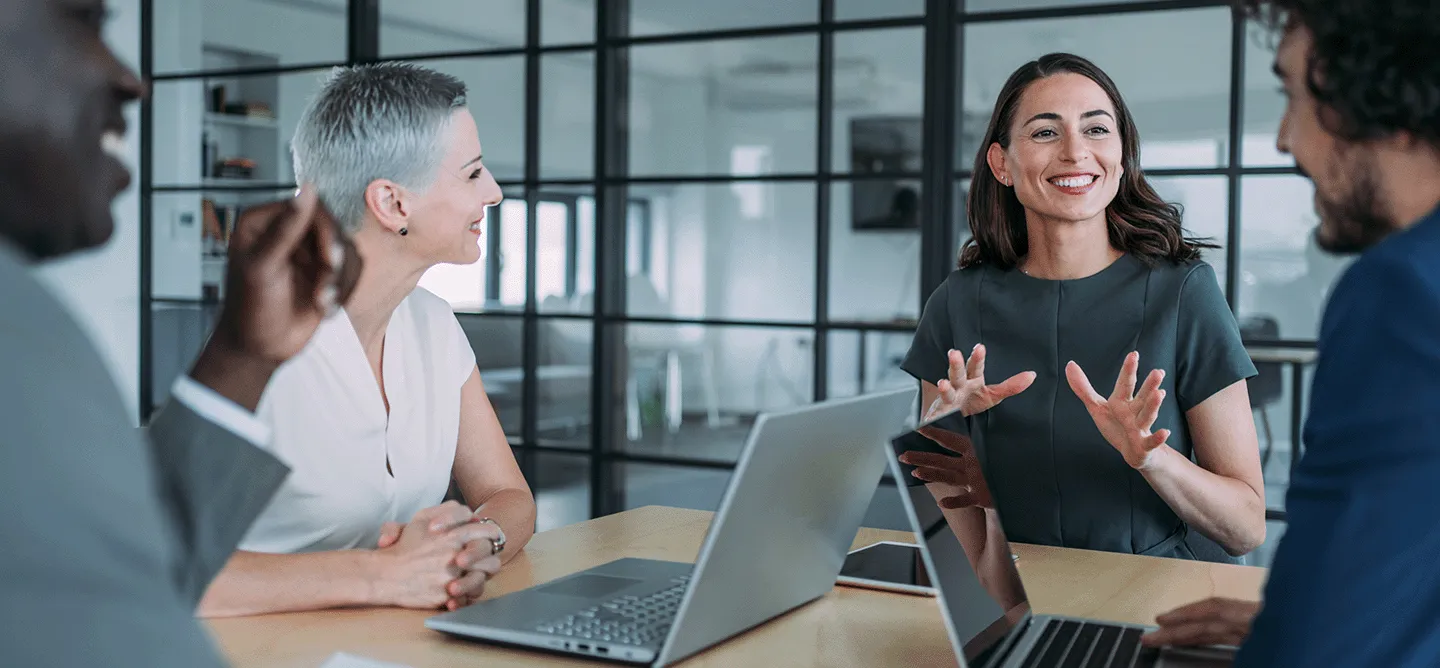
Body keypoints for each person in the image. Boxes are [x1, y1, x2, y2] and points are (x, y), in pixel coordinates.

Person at [0, 1, 493, 665]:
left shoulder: (32, 318)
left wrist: (241, 352)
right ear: (392, 203)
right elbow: (133, 577)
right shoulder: (28, 336)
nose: (132, 80)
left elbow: (149, 556)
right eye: (81, 22)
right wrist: (385, 575)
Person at [1143, 1, 1440, 664]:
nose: (1283, 139)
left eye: (1294, 96)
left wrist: (1301, 623)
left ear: (1379, 97)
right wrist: (1307, 609)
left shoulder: (1400, 293)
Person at [197, 63, 537, 618]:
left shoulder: (433, 324)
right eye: (473, 173)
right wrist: (386, 575)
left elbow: (510, 496)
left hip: (386, 642)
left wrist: (474, 544)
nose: (494, 193)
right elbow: (172, 568)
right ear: (394, 204)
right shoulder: (262, 348)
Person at [899, 53, 1267, 564]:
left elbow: (1246, 528)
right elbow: (969, 553)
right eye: (1046, 133)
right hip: (1016, 599)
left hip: (1152, 602)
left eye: (1096, 129)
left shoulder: (1184, 293)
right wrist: (944, 438)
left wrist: (1151, 457)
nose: (1076, 152)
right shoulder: (956, 303)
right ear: (1002, 164)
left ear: (1120, 155)